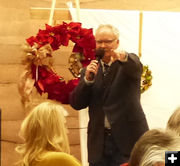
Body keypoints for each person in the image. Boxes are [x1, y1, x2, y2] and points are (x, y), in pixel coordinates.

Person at [69, 24, 149, 166]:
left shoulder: (127, 64)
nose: (103, 45)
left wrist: (123, 56)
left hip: (127, 140)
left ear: (117, 42)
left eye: (108, 41)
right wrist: (87, 80)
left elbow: (136, 67)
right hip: (99, 143)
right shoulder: (89, 70)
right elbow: (77, 103)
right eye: (99, 42)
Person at [15, 100, 81, 166]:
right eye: (64, 125)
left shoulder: (26, 163)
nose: (67, 131)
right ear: (55, 130)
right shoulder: (62, 160)